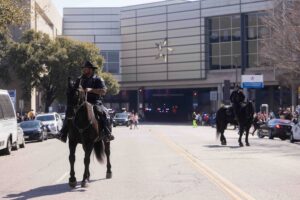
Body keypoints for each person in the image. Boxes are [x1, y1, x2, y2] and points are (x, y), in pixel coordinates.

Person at [58, 61, 114, 143]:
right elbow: (74, 89)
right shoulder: (80, 79)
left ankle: (107, 133)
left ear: (91, 70)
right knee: (69, 113)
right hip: (82, 102)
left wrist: (92, 90)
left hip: (95, 102)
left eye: (85, 68)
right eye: (83, 68)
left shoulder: (98, 79)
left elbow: (104, 91)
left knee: (102, 112)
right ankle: (63, 133)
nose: (84, 70)